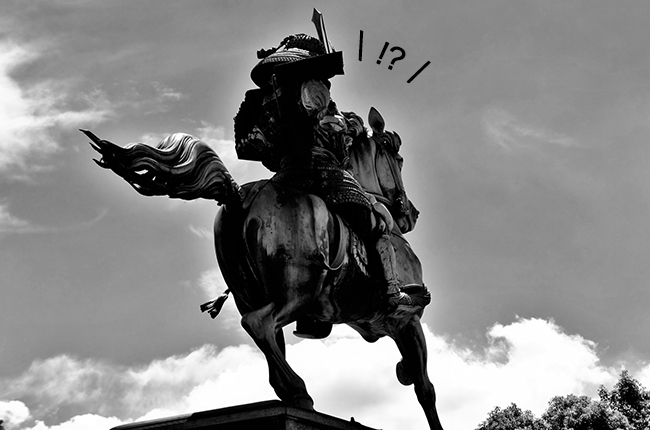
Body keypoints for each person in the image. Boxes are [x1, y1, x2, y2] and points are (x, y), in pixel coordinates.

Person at [234, 34, 419, 322]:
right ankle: (393, 294)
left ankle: (310, 316)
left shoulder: (265, 101)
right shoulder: (315, 90)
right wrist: (343, 125)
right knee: (377, 225)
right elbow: (338, 126)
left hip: (285, 176)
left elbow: (254, 148)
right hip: (325, 174)